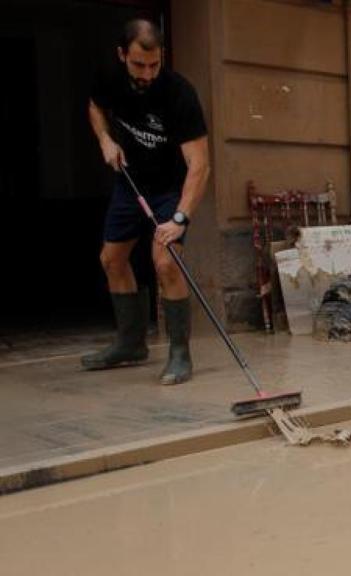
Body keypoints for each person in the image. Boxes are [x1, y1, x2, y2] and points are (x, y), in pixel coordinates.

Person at [81, 19, 210, 385]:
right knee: (111, 258)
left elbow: (200, 164)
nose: (148, 74)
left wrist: (181, 218)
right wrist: (106, 141)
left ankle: (180, 352)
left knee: (165, 263)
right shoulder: (109, 77)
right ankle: (130, 342)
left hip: (171, 188)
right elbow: (95, 106)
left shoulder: (179, 93)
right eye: (139, 65)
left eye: (154, 65)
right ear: (122, 55)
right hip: (130, 181)